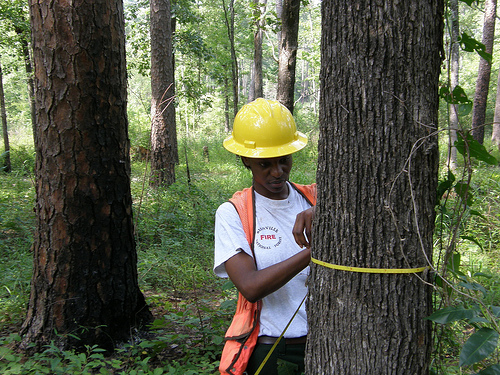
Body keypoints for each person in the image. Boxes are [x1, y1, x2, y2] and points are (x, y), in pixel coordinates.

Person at [214, 98, 316, 375]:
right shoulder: (234, 214)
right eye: (265, 164)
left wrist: (323, 212)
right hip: (277, 348)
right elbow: (251, 286)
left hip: (327, 341)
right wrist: (314, 251)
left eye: (284, 160)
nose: (277, 171)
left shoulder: (313, 199)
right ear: (245, 160)